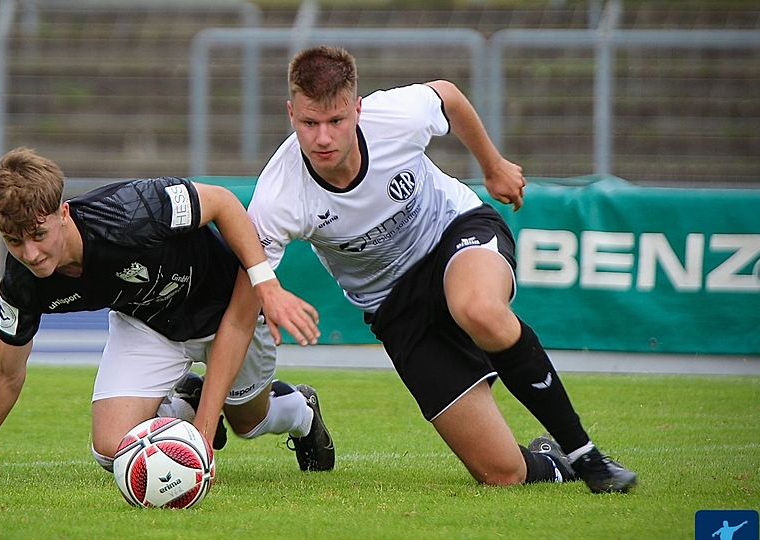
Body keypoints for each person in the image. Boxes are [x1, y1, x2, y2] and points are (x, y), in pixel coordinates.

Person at [248, 45, 636, 493]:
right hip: (394, 306)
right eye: (309, 123)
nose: (323, 138)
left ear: (357, 108)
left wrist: (493, 167)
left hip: (454, 233)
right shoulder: (279, 193)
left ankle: (586, 456)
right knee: (500, 474)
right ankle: (553, 463)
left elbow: (448, 96)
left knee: (478, 309)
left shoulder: (396, 118)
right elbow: (252, 277)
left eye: (336, 121)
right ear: (290, 113)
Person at [0, 147, 335, 478]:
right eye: (13, 242)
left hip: (226, 303)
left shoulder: (134, 211)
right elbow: (5, 371)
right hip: (148, 322)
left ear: (63, 213)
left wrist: (263, 281)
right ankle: (186, 401)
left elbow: (223, 203)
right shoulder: (23, 283)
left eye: (39, 235)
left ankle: (301, 411)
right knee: (112, 449)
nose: (31, 254)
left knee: (248, 422)